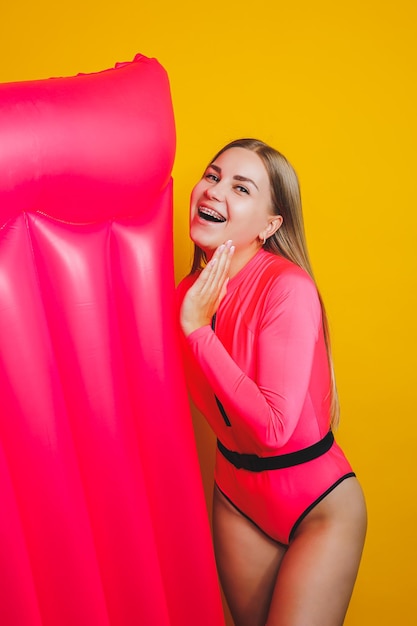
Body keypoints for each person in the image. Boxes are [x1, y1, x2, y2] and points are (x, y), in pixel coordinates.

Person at [177, 138, 367, 626]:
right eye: (213, 176)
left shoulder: (287, 287)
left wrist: (198, 330)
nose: (215, 191)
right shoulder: (184, 297)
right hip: (236, 497)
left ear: (270, 225)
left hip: (318, 508)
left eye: (241, 187)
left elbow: (275, 428)